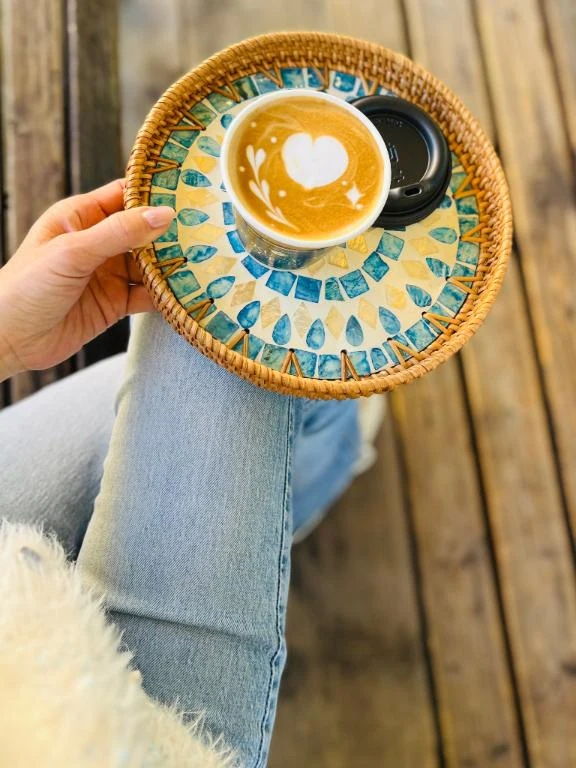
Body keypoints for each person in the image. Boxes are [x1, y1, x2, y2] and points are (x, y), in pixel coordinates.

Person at [0, 180, 382, 767]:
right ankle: (312, 479)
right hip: (108, 740)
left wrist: (5, 338)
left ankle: (295, 487)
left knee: (189, 346)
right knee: (238, 330)